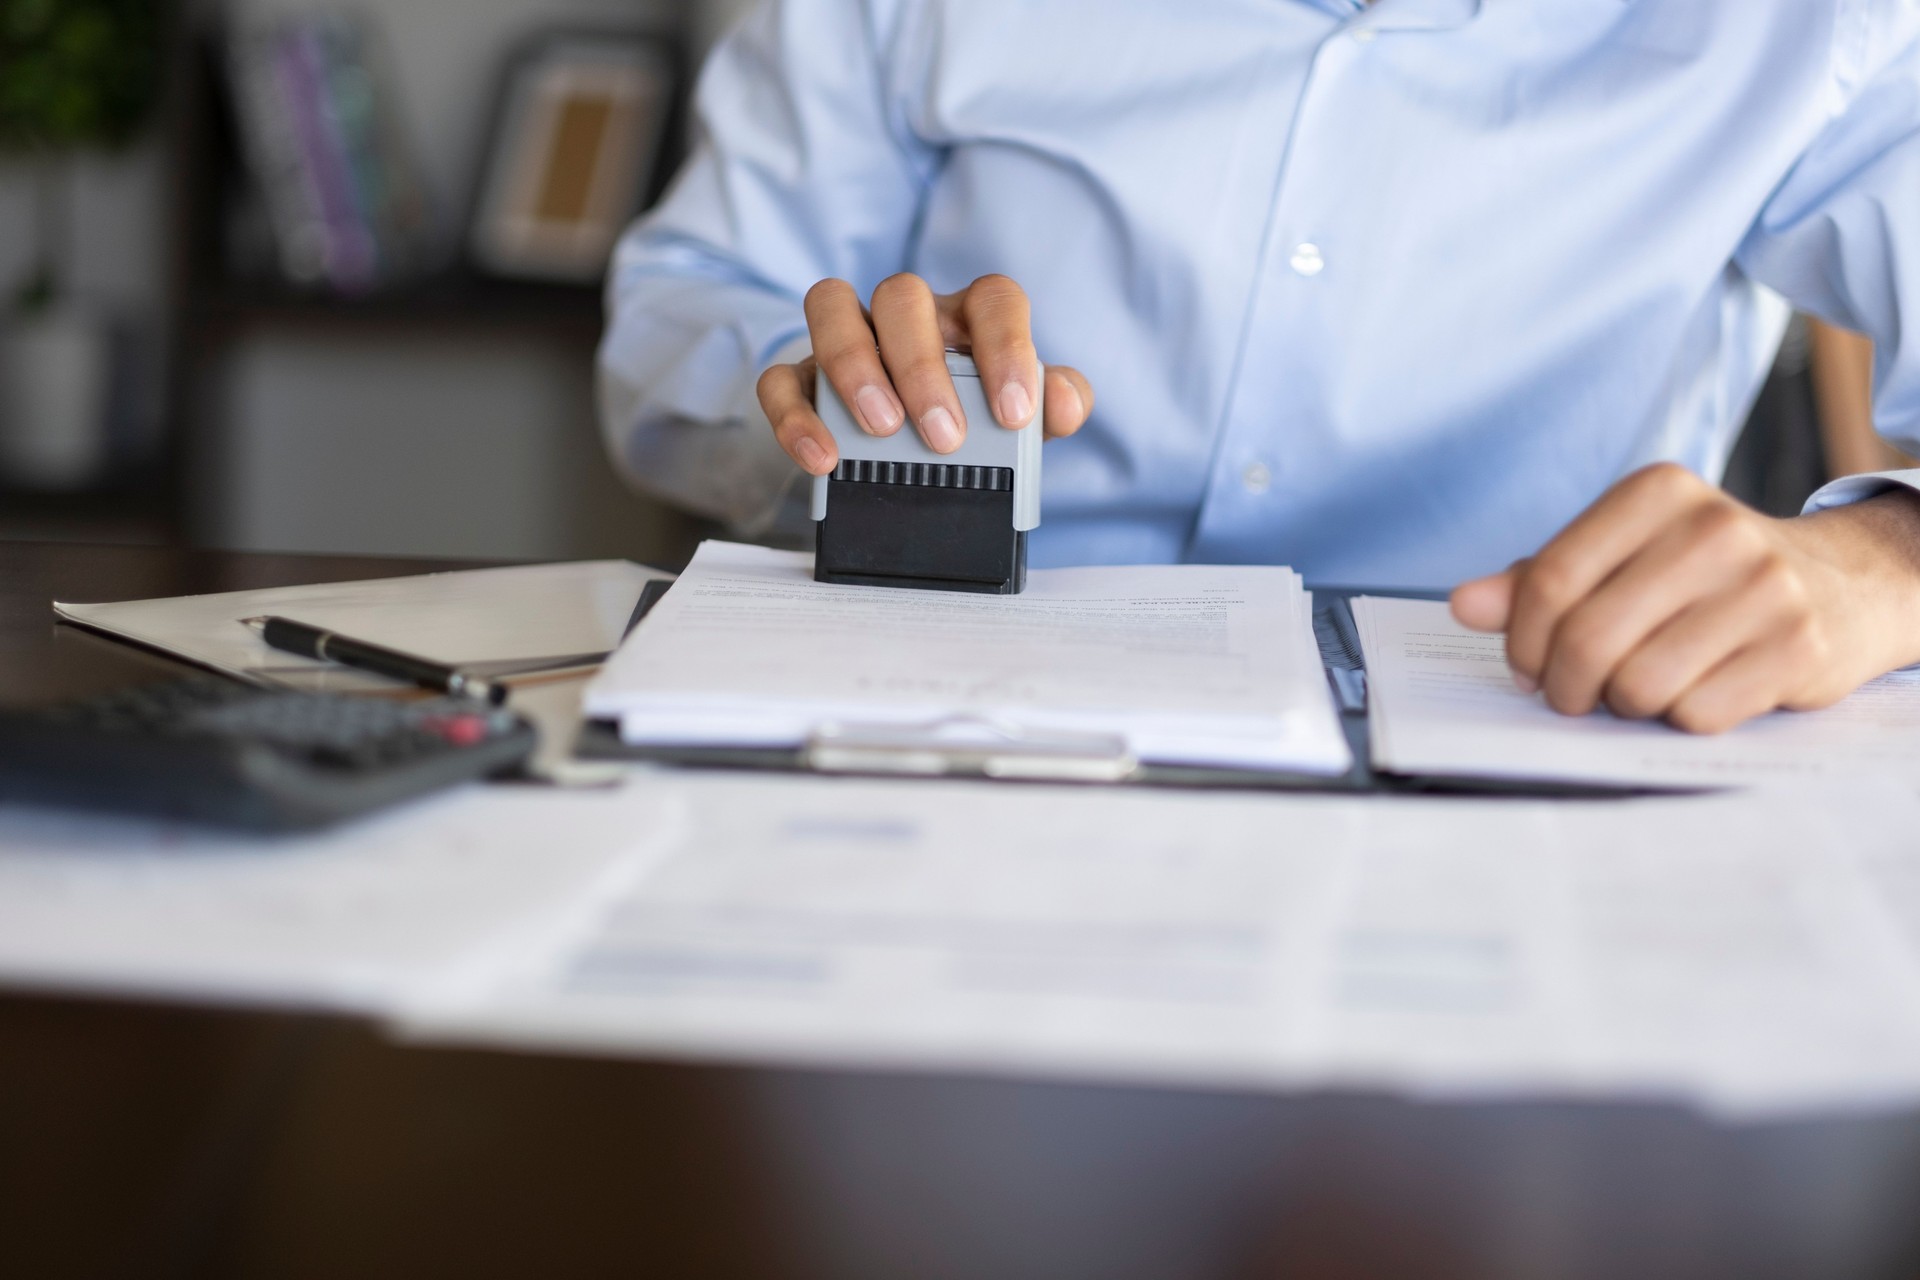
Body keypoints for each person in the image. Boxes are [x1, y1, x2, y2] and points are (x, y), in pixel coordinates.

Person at [598, 0, 1920, 734]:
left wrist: (1879, 568)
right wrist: (837, 392)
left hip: (1523, 737)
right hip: (944, 726)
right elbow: (675, 319)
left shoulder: (1818, 27)